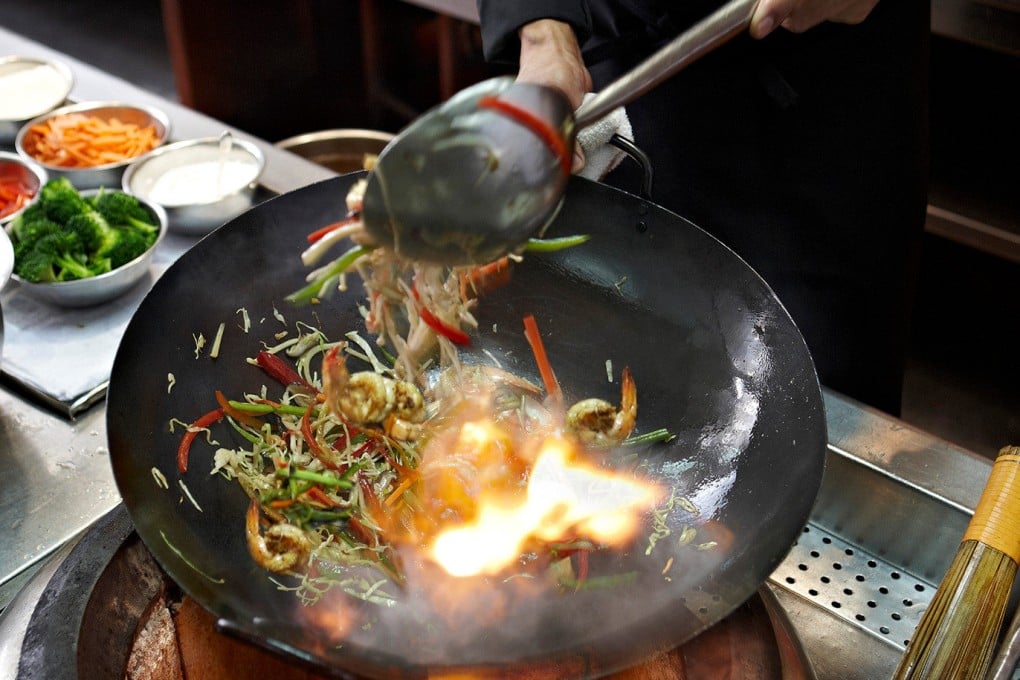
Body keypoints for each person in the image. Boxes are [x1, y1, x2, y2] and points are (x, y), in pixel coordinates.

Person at [475, 0, 930, 417]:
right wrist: (543, 36)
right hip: (623, 78)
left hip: (826, 108)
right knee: (596, 393)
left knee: (817, 415)